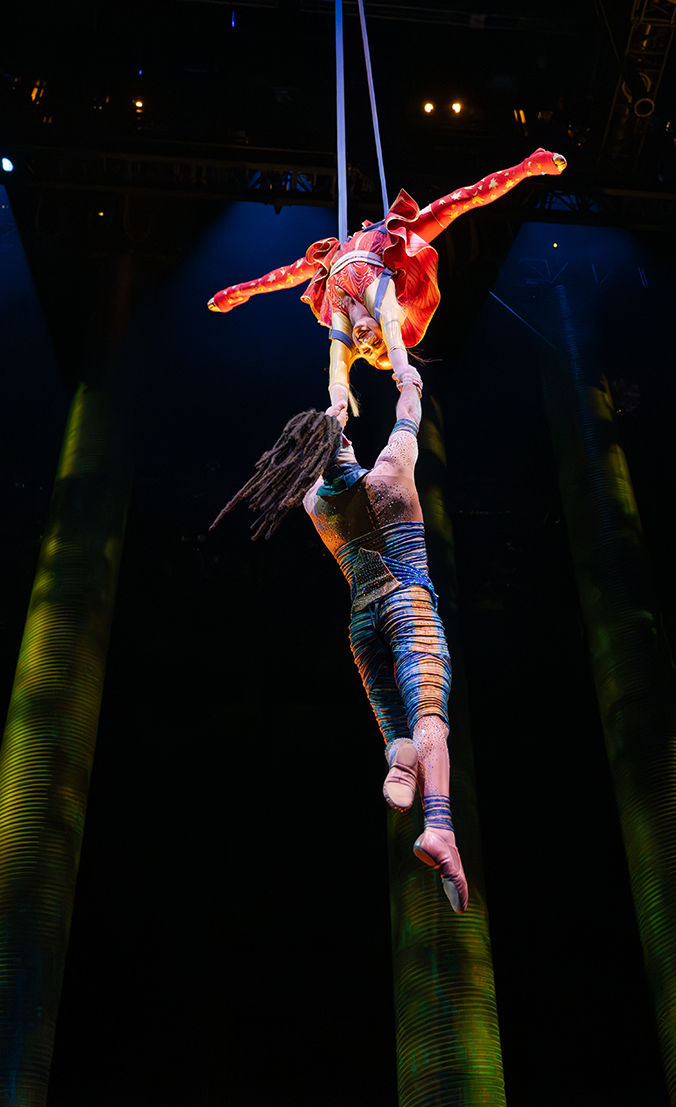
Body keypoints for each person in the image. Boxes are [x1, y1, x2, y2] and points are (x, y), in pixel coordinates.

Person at [211, 369, 467, 912]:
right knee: (429, 714)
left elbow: (321, 460)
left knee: (395, 722)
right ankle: (440, 828)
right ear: (346, 440)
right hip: (405, 604)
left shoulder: (314, 505)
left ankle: (400, 758)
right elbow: (407, 418)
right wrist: (409, 383)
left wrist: (332, 411)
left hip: (361, 623)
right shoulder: (391, 472)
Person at [206, 148, 566, 417]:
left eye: (365, 352)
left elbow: (337, 366)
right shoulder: (384, 303)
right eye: (376, 343)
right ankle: (527, 166)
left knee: (289, 274)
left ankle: (237, 292)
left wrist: (337, 407)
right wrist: (404, 372)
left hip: (340, 257)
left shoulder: (340, 316)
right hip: (386, 245)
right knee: (459, 202)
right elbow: (393, 327)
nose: (366, 343)